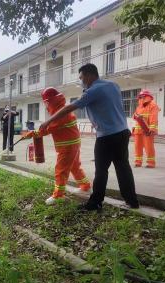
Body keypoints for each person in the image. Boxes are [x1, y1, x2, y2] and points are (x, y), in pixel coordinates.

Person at [39, 63, 139, 211]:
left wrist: (48, 121)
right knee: (123, 168)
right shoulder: (113, 85)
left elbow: (69, 108)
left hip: (107, 136)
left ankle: (95, 203)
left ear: (89, 75)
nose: (81, 81)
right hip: (123, 132)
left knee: (101, 171)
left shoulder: (93, 90)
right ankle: (132, 202)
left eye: (81, 77)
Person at [24, 88, 91, 205]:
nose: (46, 106)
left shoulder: (61, 114)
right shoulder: (61, 111)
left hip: (68, 146)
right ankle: (85, 186)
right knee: (75, 167)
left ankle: (58, 195)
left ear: (52, 101)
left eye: (46, 103)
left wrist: (32, 133)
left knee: (61, 170)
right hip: (72, 144)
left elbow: (47, 129)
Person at [133, 89, 160, 168]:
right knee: (137, 147)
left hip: (147, 130)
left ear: (147, 96)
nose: (141, 98)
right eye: (140, 97)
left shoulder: (153, 105)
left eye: (142, 96)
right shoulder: (139, 106)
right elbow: (134, 116)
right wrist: (137, 117)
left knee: (149, 147)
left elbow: (153, 118)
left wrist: (152, 129)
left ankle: (151, 163)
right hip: (138, 130)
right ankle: (138, 162)